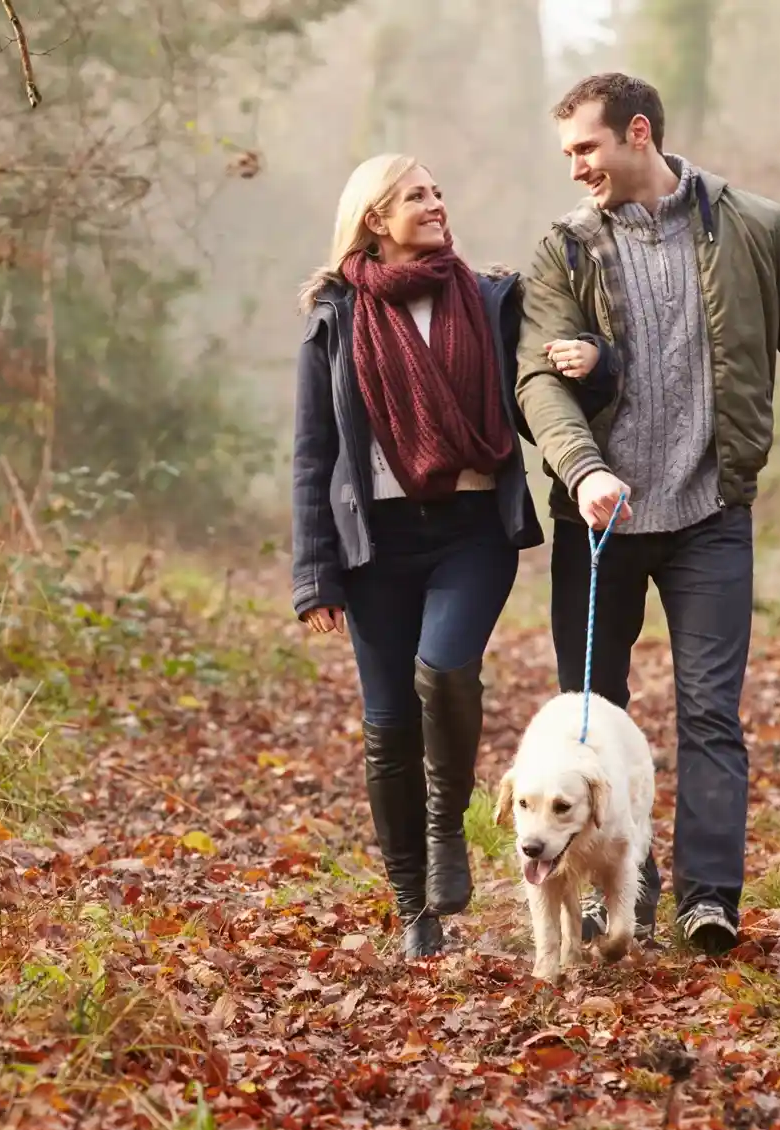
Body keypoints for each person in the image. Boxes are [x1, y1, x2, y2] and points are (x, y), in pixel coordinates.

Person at [514, 74, 780, 956]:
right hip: (599, 523)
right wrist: (580, 472)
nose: (577, 168)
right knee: (590, 719)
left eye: (587, 148)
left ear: (639, 133)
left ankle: (707, 900)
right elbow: (537, 380)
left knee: (710, 714)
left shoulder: (756, 229)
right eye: (568, 153)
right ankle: (605, 899)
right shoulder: (563, 252)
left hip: (710, 516)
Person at [291, 154, 609, 958]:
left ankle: (447, 826)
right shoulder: (335, 315)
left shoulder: (491, 298)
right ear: (374, 218)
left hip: (470, 530)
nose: (437, 205)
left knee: (444, 669)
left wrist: (593, 371)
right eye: (417, 197)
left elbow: (544, 396)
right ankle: (413, 910)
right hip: (375, 547)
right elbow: (312, 452)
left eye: (437, 193)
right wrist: (315, 572)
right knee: (388, 725)